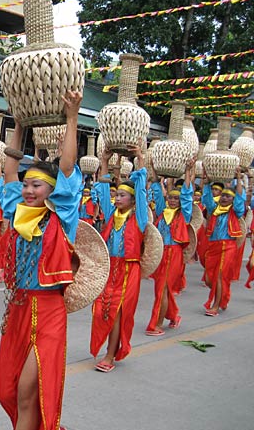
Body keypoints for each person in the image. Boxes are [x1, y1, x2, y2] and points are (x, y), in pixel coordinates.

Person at [0, 91, 82, 430]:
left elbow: (65, 165)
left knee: (33, 392)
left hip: (48, 312)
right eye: (27, 185)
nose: (29, 190)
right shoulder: (17, 213)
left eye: (37, 185)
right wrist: (18, 126)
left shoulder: (61, 216)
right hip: (17, 309)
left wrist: (72, 117)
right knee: (9, 390)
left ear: (53, 190)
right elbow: (9, 170)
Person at [90, 144, 148, 372]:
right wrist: (104, 162)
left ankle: (110, 355)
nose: (117, 199)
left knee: (117, 313)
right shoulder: (112, 216)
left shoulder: (140, 219)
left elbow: (142, 191)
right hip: (109, 268)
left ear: (133, 201)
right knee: (101, 309)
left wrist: (140, 158)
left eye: (122, 195)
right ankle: (107, 348)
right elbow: (104, 192)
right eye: (118, 195)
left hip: (128, 270)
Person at [145, 163, 194, 335]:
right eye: (171, 198)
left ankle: (156, 324)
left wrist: (188, 172)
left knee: (162, 289)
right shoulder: (162, 212)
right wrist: (156, 173)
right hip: (161, 253)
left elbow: (188, 197)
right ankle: (173, 315)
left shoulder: (183, 215)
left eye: (176, 199)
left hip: (174, 254)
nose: (173, 201)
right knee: (161, 288)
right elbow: (157, 194)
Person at [201, 171, 245, 316]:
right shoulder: (214, 209)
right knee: (209, 278)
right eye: (223, 196)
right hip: (213, 246)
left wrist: (238, 179)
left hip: (228, 246)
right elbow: (207, 198)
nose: (225, 198)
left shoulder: (235, 211)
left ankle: (215, 306)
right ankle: (223, 295)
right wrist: (206, 182)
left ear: (232, 200)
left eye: (228, 196)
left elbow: (240, 199)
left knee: (220, 276)